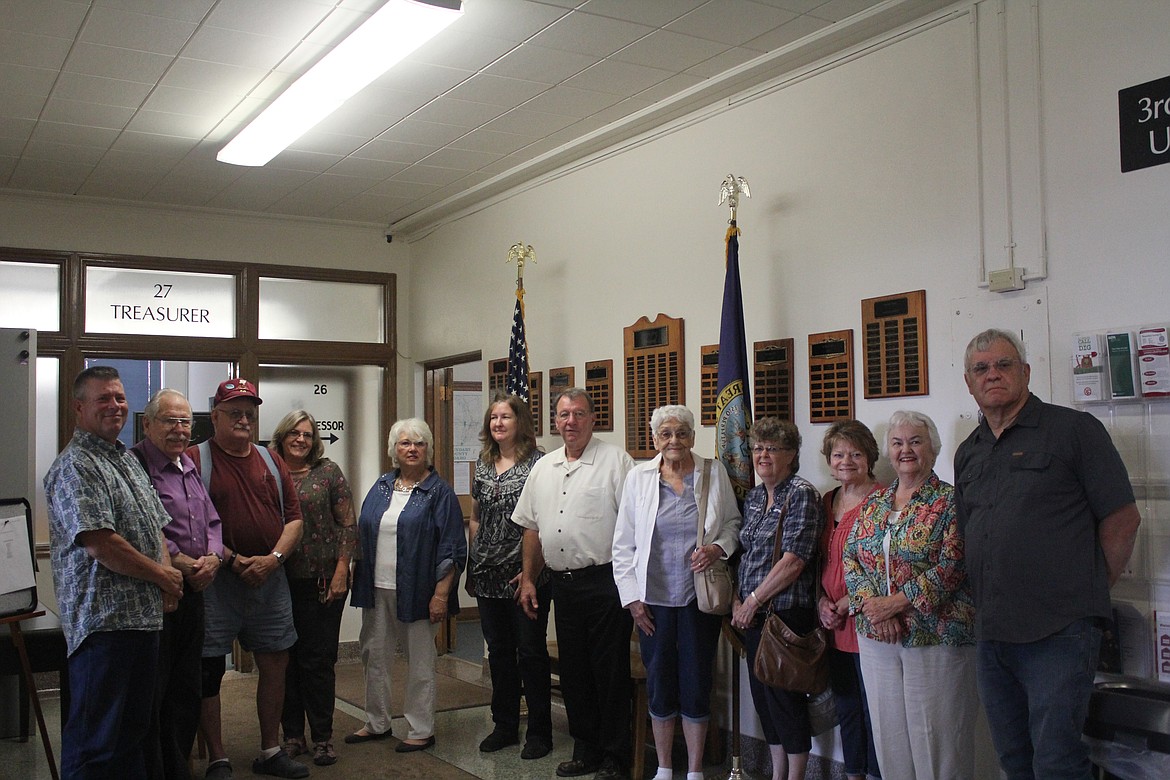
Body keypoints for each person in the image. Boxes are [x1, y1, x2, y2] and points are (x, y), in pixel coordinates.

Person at [955, 328, 1141, 780]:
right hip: (993, 633)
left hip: (1059, 632)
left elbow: (1122, 519)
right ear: (968, 382)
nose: (992, 375)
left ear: (1026, 372)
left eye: (1004, 365)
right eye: (981, 368)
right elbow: (970, 531)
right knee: (1014, 760)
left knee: (1057, 762)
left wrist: (1090, 588)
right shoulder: (968, 453)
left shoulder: (1073, 431)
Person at [45, 366, 185, 779]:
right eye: (103, 398)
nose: (115, 406)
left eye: (120, 398)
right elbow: (102, 543)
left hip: (142, 621)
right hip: (103, 627)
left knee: (133, 737)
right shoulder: (76, 466)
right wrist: (163, 577)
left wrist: (168, 575)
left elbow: (155, 525)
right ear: (79, 407)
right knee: (96, 744)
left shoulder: (125, 458)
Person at [843, 411, 976, 780]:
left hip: (935, 637)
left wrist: (896, 604)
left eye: (915, 441)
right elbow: (851, 557)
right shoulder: (874, 503)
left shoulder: (951, 502)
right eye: (898, 443)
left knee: (938, 742)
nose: (906, 450)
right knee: (890, 740)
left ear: (932, 448)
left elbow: (956, 561)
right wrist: (876, 611)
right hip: (877, 640)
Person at [611, 405, 741, 780]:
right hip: (653, 601)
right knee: (660, 681)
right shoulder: (639, 478)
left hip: (698, 599)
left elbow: (732, 524)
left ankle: (696, 770)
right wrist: (633, 599)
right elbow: (623, 546)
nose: (674, 441)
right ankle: (665, 767)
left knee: (698, 680)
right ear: (655, 440)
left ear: (693, 437)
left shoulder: (713, 473)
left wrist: (718, 549)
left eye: (681, 433)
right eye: (666, 434)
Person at [187, 379, 308, 780]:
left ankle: (270, 750)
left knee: (275, 660)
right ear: (216, 415)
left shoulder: (272, 461)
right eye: (234, 412)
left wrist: (273, 559)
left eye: (249, 414)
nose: (243, 420)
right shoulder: (194, 460)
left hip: (270, 580)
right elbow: (191, 525)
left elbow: (293, 519)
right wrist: (235, 560)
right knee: (209, 667)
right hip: (216, 582)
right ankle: (218, 758)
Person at [514, 388, 635, 780]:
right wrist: (529, 578)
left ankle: (616, 755)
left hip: (606, 583)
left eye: (579, 414)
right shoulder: (543, 466)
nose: (571, 422)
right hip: (562, 585)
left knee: (609, 671)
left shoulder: (617, 462)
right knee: (574, 672)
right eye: (564, 415)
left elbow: (634, 527)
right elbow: (532, 528)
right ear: (555, 421)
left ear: (592, 419)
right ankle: (586, 748)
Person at [347, 418, 466, 753]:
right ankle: (377, 722)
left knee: (420, 661)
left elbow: (453, 547)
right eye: (404, 443)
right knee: (374, 655)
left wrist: (441, 594)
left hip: (419, 591)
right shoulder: (382, 485)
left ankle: (421, 728)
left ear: (427, 449)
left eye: (419, 443)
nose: (412, 449)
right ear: (394, 450)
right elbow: (364, 530)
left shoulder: (439, 493)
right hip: (376, 588)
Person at [132, 389, 224, 780]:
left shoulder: (187, 464)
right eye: (169, 420)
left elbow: (212, 521)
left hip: (194, 592)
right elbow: (141, 526)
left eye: (185, 421)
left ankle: (179, 768)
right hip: (157, 594)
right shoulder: (134, 465)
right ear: (148, 423)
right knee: (156, 692)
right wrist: (182, 561)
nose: (179, 429)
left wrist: (214, 558)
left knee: (187, 688)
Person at [729, 417, 824, 780]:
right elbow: (746, 555)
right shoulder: (754, 497)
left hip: (785, 617)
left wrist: (752, 600)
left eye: (772, 448)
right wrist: (739, 602)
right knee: (764, 703)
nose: (763, 455)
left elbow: (794, 561)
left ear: (792, 455)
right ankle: (777, 773)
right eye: (757, 448)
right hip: (754, 617)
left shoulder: (801, 493)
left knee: (785, 702)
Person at [269, 410, 357, 768]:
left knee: (318, 661)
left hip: (323, 580)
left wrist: (341, 570)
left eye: (307, 434)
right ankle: (292, 735)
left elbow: (348, 524)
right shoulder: (268, 469)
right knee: (284, 660)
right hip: (278, 579)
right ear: (282, 436)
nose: (301, 440)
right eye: (294, 433)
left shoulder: (328, 472)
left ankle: (322, 737)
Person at [465, 395, 552, 759]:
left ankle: (539, 733)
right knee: (499, 653)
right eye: (494, 417)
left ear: (521, 422)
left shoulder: (540, 463)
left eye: (506, 416)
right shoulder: (483, 464)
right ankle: (504, 725)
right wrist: (478, 551)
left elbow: (548, 520)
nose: (498, 422)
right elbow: (475, 515)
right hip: (487, 576)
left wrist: (530, 569)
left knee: (530, 652)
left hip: (525, 575)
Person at [815, 420, 882, 780]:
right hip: (833, 626)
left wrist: (849, 602)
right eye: (838, 454)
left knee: (875, 710)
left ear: (870, 458)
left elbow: (889, 567)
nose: (846, 461)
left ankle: (875, 774)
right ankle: (854, 773)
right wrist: (822, 603)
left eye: (855, 454)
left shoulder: (884, 500)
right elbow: (817, 561)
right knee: (846, 707)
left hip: (870, 623)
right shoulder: (826, 501)